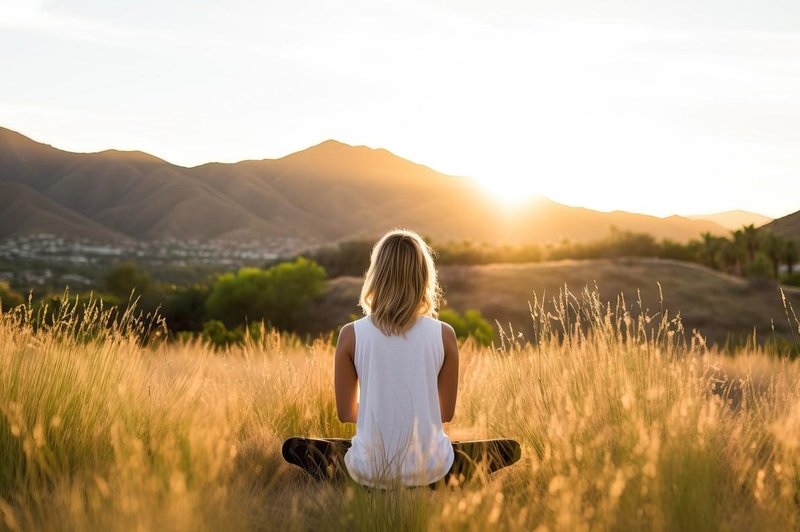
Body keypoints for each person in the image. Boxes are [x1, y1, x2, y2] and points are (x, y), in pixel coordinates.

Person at [282, 229, 520, 488]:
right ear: (423, 278)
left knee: (298, 448)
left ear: (376, 276)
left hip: (369, 474)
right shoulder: (445, 335)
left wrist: (382, 412)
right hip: (431, 471)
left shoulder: (350, 335)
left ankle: (363, 471)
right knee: (502, 449)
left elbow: (345, 412)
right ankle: (443, 471)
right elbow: (445, 413)